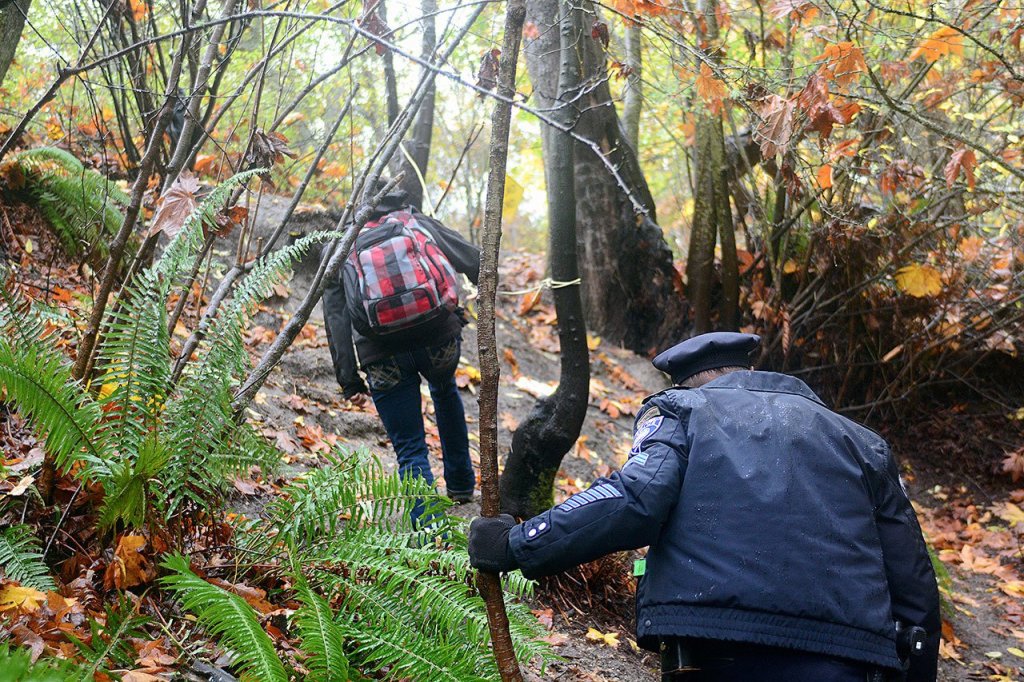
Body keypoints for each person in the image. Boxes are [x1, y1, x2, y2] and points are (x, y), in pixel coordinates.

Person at [469, 332, 940, 681]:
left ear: (688, 384)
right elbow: (912, 578)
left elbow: (636, 498)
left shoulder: (682, 410)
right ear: (750, 371)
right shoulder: (862, 442)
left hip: (716, 647)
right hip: (846, 657)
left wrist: (516, 543)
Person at [323, 182, 479, 518]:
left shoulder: (342, 244)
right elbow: (472, 258)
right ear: (395, 196)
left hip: (382, 357)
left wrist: (348, 377)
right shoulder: (414, 221)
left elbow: (335, 316)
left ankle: (429, 537)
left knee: (410, 447)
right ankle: (462, 485)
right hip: (439, 341)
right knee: (445, 389)